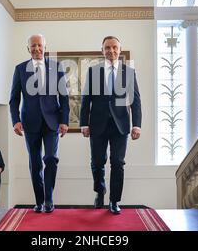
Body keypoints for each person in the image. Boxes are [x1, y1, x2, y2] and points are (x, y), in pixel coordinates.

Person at [80, 36, 142, 215]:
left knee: (118, 163)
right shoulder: (93, 71)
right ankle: (100, 191)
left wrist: (136, 125)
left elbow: (136, 100)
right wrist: (84, 123)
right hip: (97, 125)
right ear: (102, 50)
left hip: (121, 125)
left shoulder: (128, 72)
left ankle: (114, 200)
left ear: (119, 50)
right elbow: (86, 100)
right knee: (97, 162)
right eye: (107, 48)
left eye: (114, 47)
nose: (111, 51)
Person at [9, 34, 70, 213]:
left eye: (39, 45)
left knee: (51, 158)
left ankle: (49, 198)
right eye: (33, 46)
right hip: (30, 123)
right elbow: (14, 99)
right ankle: (39, 201)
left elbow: (64, 97)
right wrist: (15, 121)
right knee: (35, 163)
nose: (36, 49)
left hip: (52, 122)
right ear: (28, 48)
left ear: (45, 46)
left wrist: (64, 121)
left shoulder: (56, 67)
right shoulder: (20, 69)